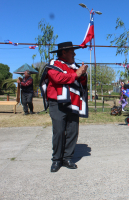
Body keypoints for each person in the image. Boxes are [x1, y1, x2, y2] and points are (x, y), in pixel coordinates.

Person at [39, 42, 88, 172]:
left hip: (73, 103)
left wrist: (83, 75)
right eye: (72, 52)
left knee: (72, 131)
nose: (75, 54)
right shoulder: (54, 64)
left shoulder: (75, 67)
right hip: (58, 103)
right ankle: (56, 160)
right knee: (59, 131)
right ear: (64, 53)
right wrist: (76, 74)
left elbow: (80, 83)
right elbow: (58, 78)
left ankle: (67, 158)